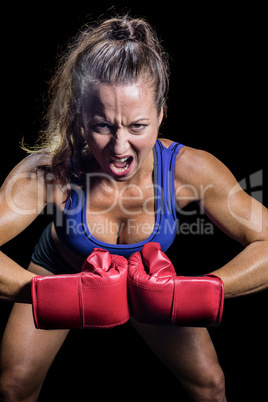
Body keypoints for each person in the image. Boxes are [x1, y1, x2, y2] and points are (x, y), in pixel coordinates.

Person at [0, 14, 267, 401]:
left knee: (211, 385)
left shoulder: (190, 170)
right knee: (13, 386)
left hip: (150, 288)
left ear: (160, 113)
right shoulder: (50, 172)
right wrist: (52, 293)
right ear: (79, 116)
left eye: (137, 126)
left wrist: (200, 292)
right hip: (63, 270)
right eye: (102, 126)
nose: (120, 148)